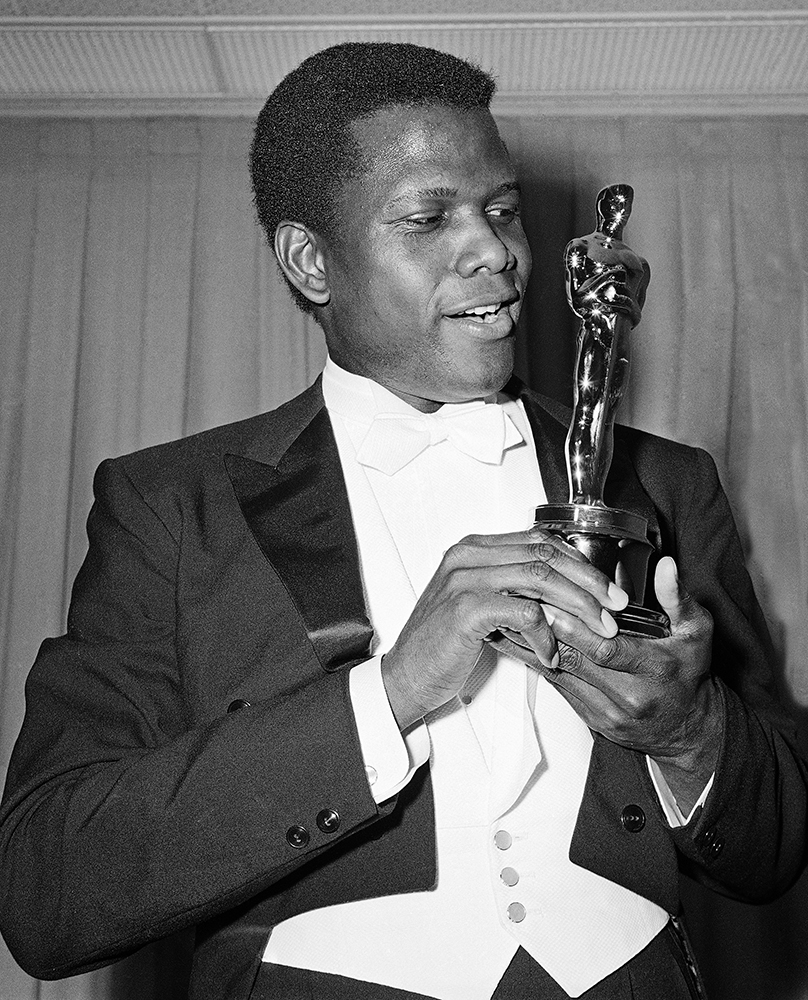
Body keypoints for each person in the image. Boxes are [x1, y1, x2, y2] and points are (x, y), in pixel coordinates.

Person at [1, 40, 805, 1000]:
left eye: (502, 210)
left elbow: (777, 844)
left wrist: (690, 733)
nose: (497, 252)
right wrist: (387, 697)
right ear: (311, 261)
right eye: (428, 218)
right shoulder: (172, 504)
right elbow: (46, 889)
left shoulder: (666, 482)